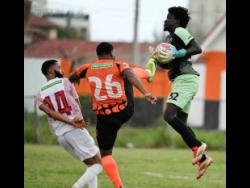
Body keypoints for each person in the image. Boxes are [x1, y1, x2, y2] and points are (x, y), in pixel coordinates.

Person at [69, 42, 157, 188]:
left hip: (104, 116)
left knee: (106, 155)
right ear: (111, 52)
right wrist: (145, 92)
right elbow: (130, 75)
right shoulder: (118, 64)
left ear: (98, 54)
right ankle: (149, 73)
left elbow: (70, 78)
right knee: (128, 73)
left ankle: (119, 186)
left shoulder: (87, 67)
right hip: (124, 110)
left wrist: (74, 80)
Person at [146, 6, 213, 180]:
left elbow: (197, 48)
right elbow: (170, 64)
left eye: (169, 17)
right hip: (181, 80)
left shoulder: (180, 31)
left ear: (177, 20)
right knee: (182, 125)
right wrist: (159, 59)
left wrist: (180, 52)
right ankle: (203, 159)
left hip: (186, 80)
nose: (165, 20)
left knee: (168, 116)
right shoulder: (169, 38)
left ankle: (199, 145)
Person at [36, 59, 102, 188]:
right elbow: (77, 103)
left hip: (61, 137)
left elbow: (50, 112)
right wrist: (74, 121)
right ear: (50, 70)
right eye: (58, 67)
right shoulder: (66, 82)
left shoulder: (39, 94)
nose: (61, 70)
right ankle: (76, 186)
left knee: (91, 164)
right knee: (99, 164)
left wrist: (69, 121)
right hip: (74, 129)